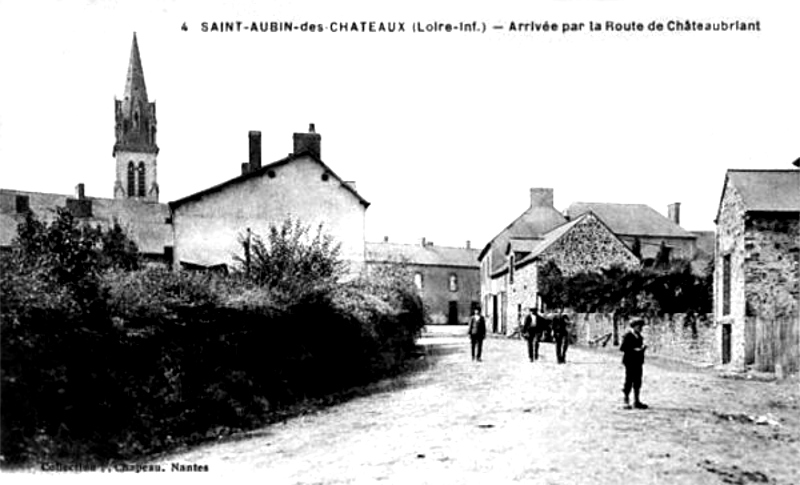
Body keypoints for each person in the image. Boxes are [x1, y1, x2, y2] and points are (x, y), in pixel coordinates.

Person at [620, 319, 648, 409]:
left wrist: (642, 349)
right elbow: (623, 348)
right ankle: (626, 400)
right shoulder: (628, 336)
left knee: (637, 380)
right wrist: (633, 349)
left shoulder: (639, 336)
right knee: (629, 380)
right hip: (630, 361)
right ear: (634, 326)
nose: (641, 329)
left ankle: (636, 401)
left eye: (641, 327)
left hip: (638, 361)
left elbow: (639, 348)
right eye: (639, 327)